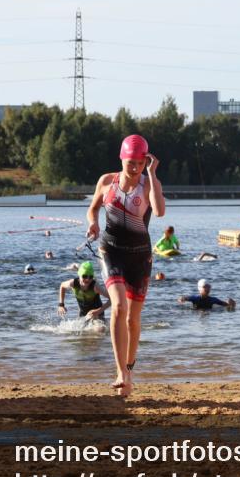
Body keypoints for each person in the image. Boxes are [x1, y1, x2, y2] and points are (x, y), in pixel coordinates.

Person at [86, 134, 166, 398]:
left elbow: (159, 210)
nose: (135, 168)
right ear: (122, 158)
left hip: (140, 256)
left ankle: (129, 370)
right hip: (110, 251)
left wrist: (152, 174)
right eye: (131, 162)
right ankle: (121, 372)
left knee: (133, 319)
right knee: (119, 306)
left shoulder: (148, 184)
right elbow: (93, 207)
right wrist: (93, 223)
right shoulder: (106, 181)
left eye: (140, 163)